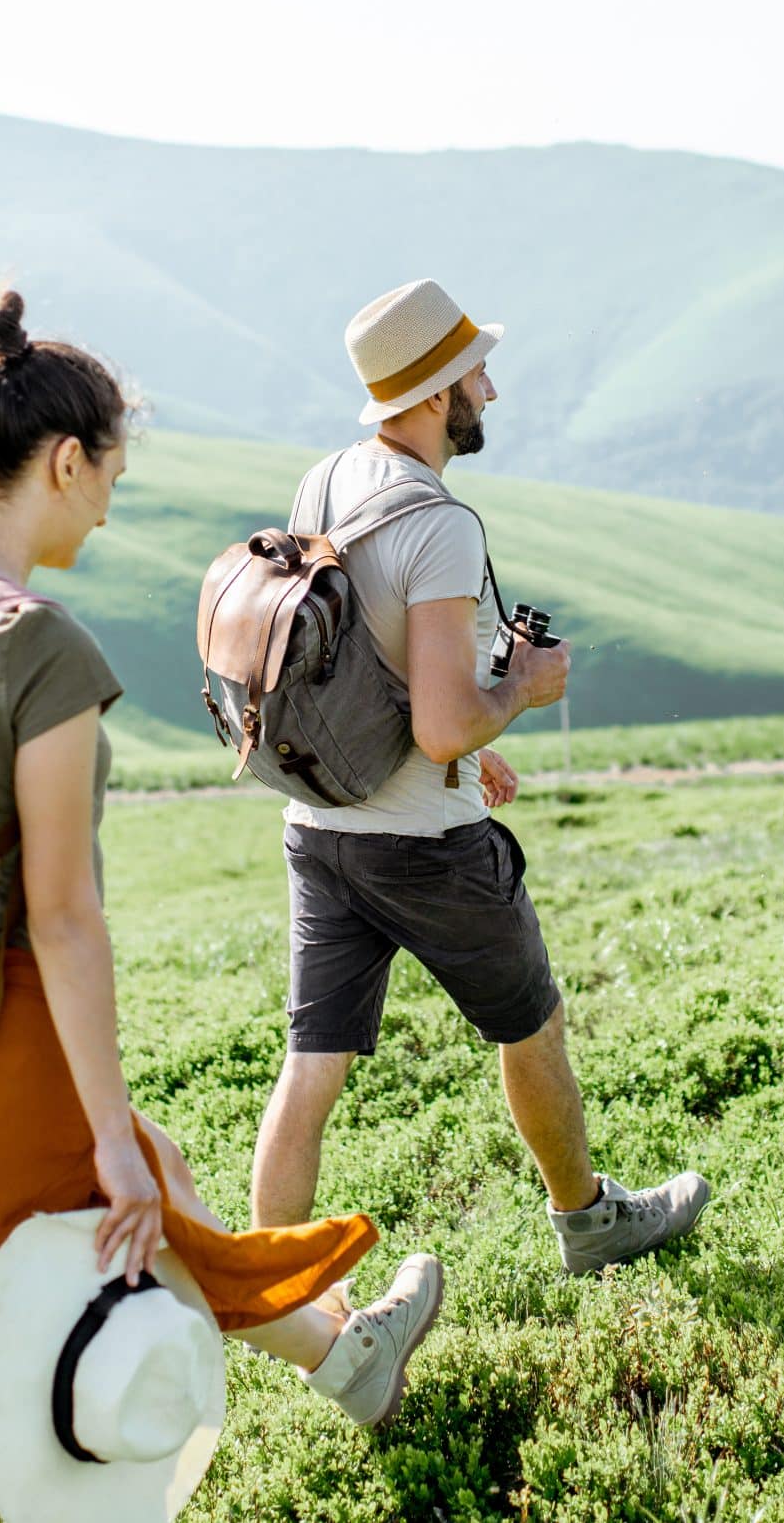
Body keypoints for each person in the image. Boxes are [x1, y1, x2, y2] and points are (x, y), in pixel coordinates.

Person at [0, 290, 442, 1523]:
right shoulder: (42, 652)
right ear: (61, 461)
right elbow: (62, 920)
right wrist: (102, 1126)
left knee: (137, 1188)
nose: (109, 501)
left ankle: (344, 1358)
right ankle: (343, 1355)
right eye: (108, 471)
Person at [248, 279, 711, 1276]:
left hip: (321, 831)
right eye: (472, 375)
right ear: (429, 395)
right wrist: (519, 694)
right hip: (430, 849)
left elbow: (353, 656)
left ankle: (268, 1284)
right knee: (532, 1022)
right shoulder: (440, 525)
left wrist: (461, 739)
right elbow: (446, 707)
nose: (489, 391)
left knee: (312, 1064)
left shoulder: (324, 479)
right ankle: (589, 1222)